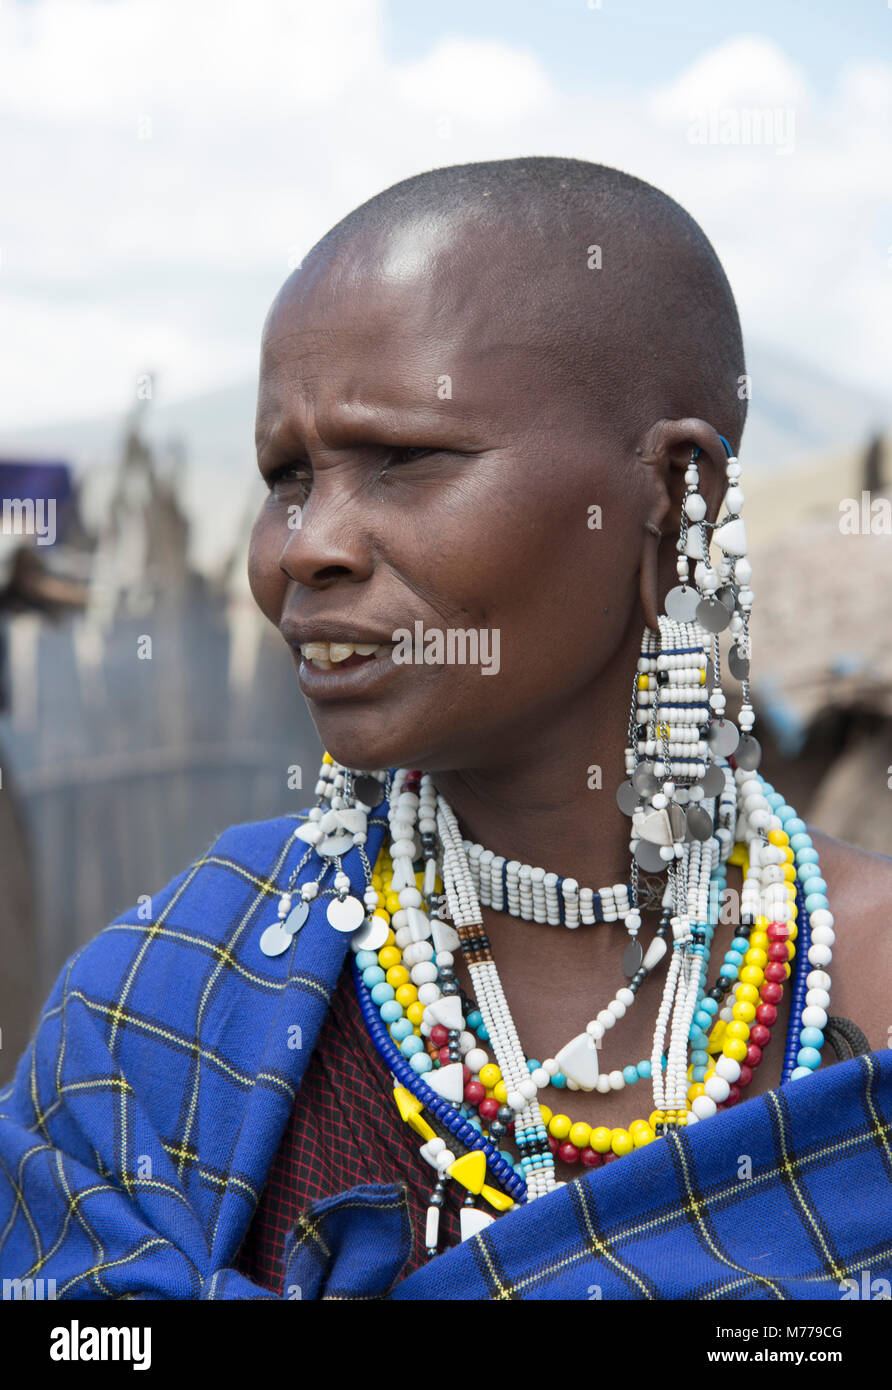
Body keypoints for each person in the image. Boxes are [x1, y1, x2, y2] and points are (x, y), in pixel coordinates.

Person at [1, 157, 890, 1302]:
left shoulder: (866, 975)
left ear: (680, 493)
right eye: (287, 477)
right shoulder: (164, 1005)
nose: (302, 547)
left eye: (405, 458)